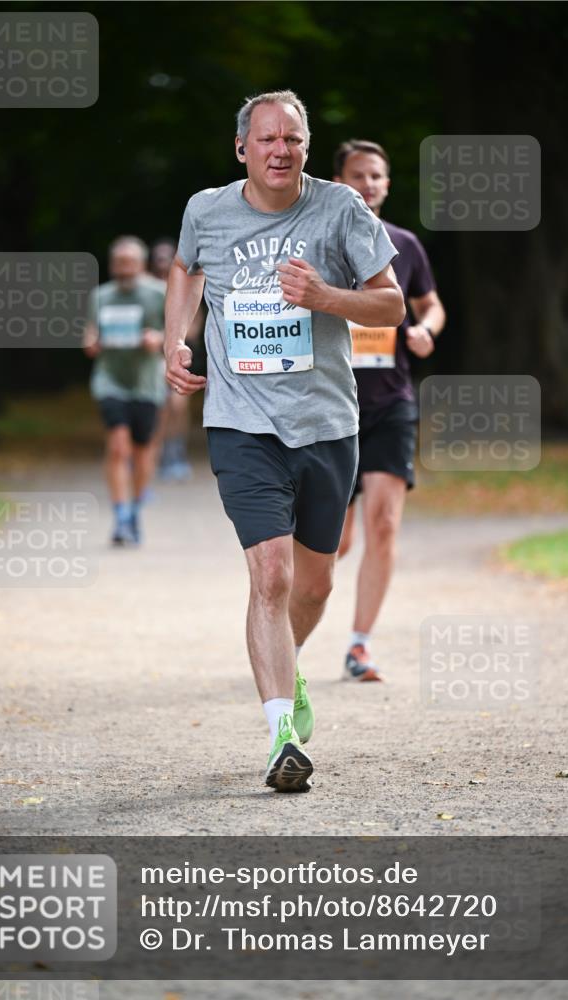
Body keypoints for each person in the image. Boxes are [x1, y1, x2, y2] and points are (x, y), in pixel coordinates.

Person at [164, 91, 405, 791]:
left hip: (326, 423)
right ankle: (280, 736)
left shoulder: (340, 209)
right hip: (241, 421)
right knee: (270, 574)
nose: (280, 150)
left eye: (292, 139)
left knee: (314, 581)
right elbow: (185, 268)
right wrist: (176, 340)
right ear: (242, 148)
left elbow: (391, 304)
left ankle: (287, 666)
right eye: (267, 138)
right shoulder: (206, 209)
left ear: (305, 147)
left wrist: (326, 297)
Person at [333, 139, 446, 680]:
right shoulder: (321, 242)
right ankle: (288, 631)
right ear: (339, 182)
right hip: (331, 406)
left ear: (387, 184)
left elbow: (431, 304)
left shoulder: (404, 244)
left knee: (383, 525)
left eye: (377, 175)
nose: (369, 184)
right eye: (358, 175)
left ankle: (360, 646)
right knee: (334, 540)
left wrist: (426, 330)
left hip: (391, 403)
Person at [83, 236, 166, 545]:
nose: (124, 269)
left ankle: (134, 510)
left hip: (146, 383)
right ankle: (120, 516)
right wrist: (90, 341)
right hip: (109, 379)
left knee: (143, 453)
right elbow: (91, 331)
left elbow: (180, 331)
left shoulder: (159, 294)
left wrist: (158, 339)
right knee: (118, 447)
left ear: (141, 265)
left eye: (129, 263)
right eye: (118, 263)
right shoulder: (100, 296)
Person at [148, 238, 203, 482]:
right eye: (157, 257)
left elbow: (194, 328)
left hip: (177, 356)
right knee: (158, 408)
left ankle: (175, 453)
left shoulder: (185, 286)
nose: (162, 261)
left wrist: (168, 339)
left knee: (178, 406)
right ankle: (153, 455)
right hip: (150, 359)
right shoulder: (146, 289)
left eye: (166, 257)